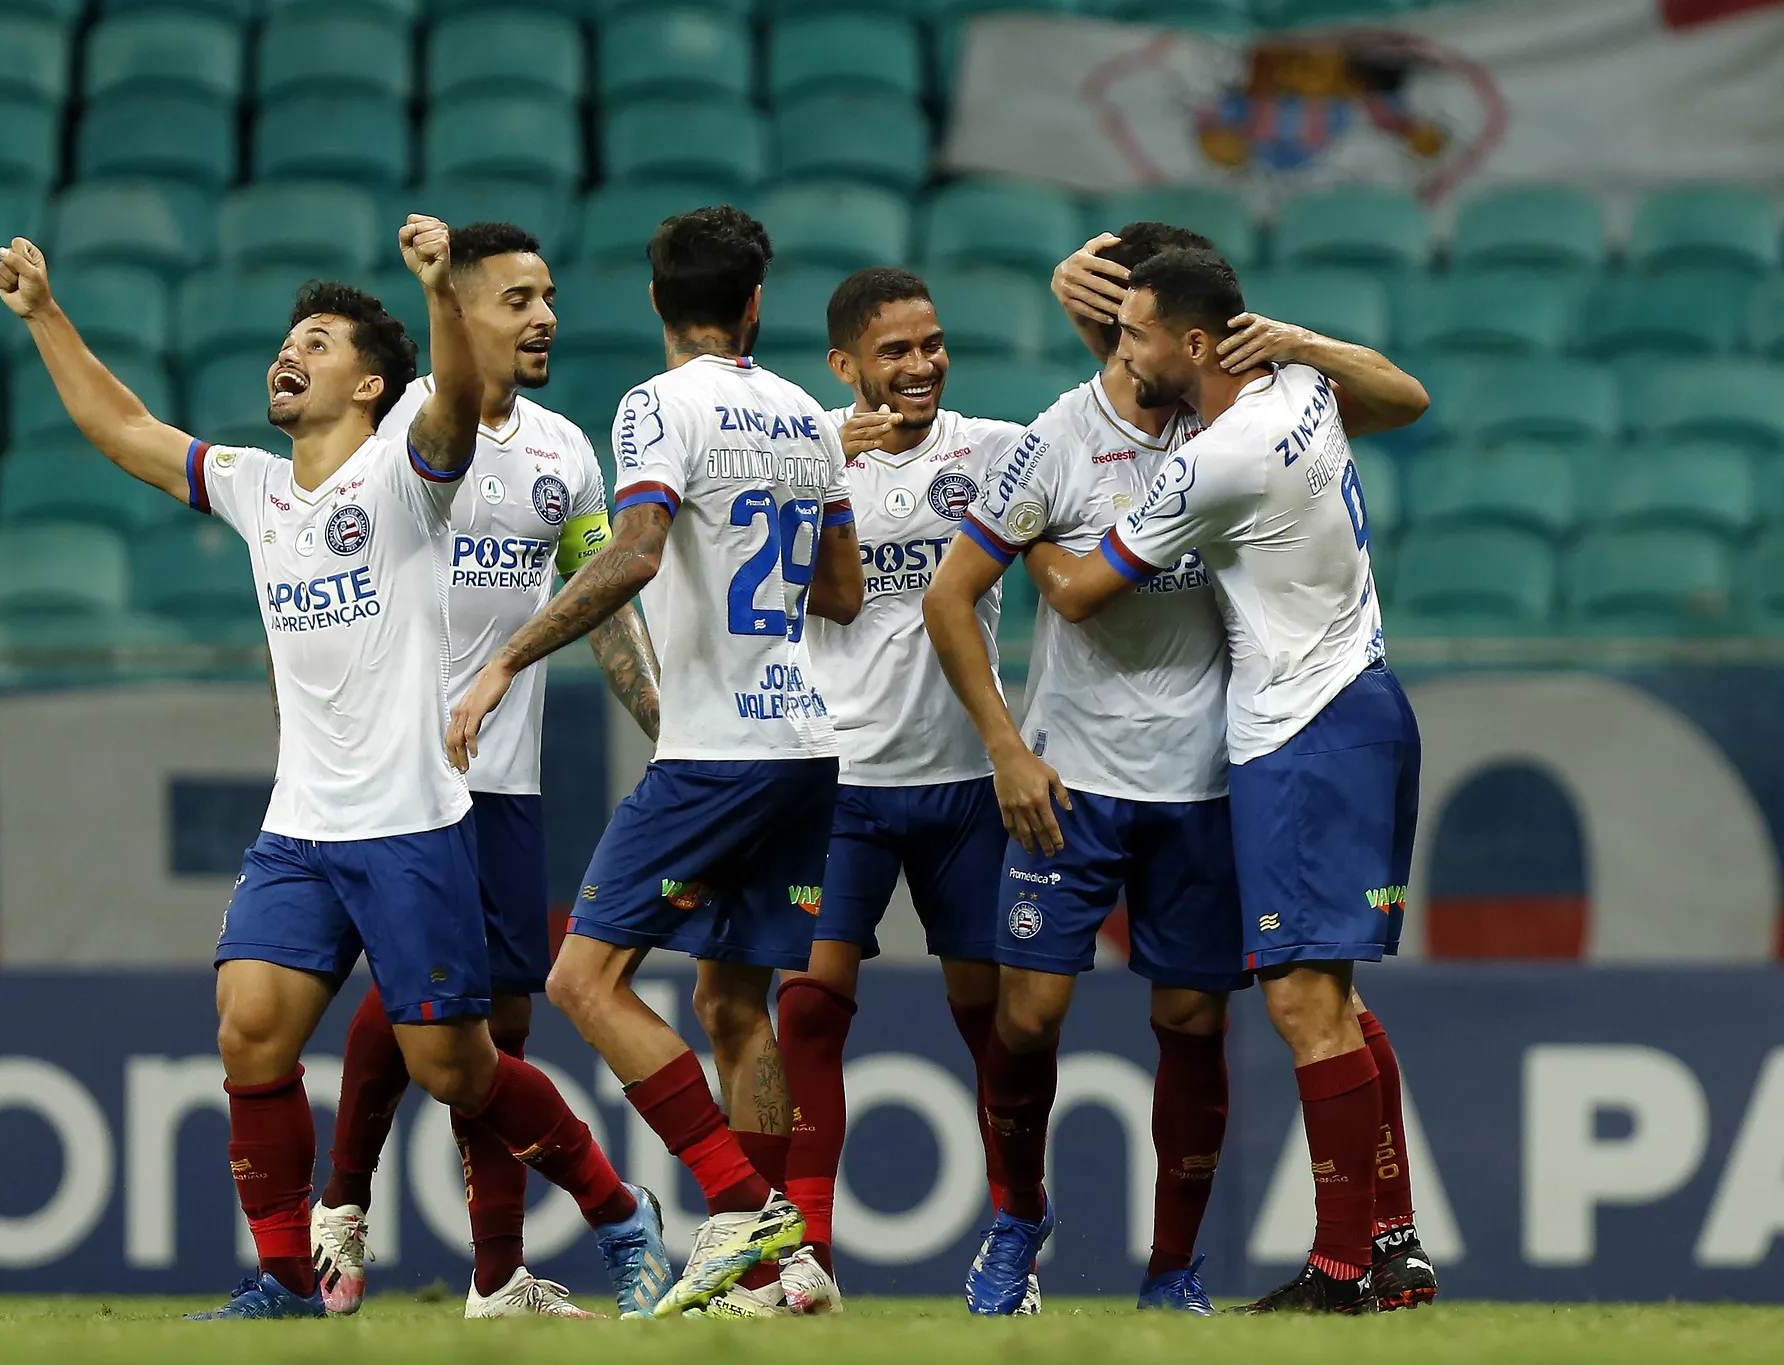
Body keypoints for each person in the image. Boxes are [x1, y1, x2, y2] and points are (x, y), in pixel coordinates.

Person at [0, 217, 670, 1321]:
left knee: (457, 1070)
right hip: (301, 824)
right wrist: (44, 316)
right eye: (288, 337)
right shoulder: (260, 490)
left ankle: (615, 1209)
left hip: (410, 823)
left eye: (318, 340)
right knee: (248, 1025)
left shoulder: (409, 483)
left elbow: (452, 399)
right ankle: (284, 1281)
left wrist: (441, 291)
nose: (289, 352)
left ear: (368, 387)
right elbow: (120, 426)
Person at [445, 205, 863, 1319]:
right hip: (805, 739)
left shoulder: (652, 407)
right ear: (755, 306)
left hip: (715, 745)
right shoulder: (805, 421)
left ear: (653, 301)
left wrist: (504, 663)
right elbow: (841, 593)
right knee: (734, 1002)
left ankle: (738, 1206)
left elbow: (631, 554)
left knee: (583, 980)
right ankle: (782, 1272)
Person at [1012, 245, 1426, 1314]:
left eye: (1135, 331)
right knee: (1329, 991)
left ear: (1194, 342)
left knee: (1298, 1001)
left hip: (1299, 731)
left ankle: (1340, 1272)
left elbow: (1079, 594)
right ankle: (1391, 1244)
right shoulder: (1291, 387)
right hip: (1359, 707)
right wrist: (1294, 339)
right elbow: (1403, 396)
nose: (1118, 347)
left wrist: (1019, 539)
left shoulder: (1212, 465)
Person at [304, 222, 663, 1319]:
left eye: (548, 293)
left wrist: (662, 719)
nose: (544, 314)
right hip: (401, 776)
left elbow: (596, 601)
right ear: (456, 311)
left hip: (505, 778)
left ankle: (493, 1278)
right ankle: (346, 1200)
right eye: (515, 298)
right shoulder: (400, 448)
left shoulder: (563, 453)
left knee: (495, 1025)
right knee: (438, 1010)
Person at [765, 267, 1027, 1316]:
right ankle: (808, 1257)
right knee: (811, 1007)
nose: (919, 366)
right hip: (842, 780)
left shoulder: (998, 453)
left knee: (993, 1022)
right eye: (893, 352)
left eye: (930, 344)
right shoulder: (801, 459)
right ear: (843, 367)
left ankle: (1014, 1243)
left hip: (966, 784)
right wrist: (818, 468)